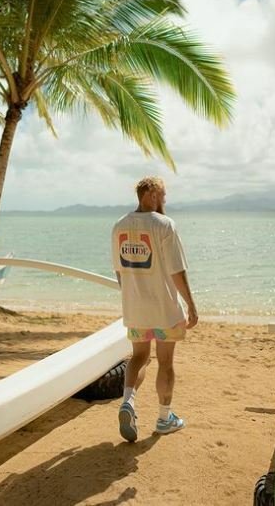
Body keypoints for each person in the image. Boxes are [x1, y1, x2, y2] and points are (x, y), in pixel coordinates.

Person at [111, 176, 198, 442]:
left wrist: (132, 296)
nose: (164, 200)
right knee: (166, 362)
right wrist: (191, 306)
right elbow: (177, 271)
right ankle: (164, 418)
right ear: (150, 194)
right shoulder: (165, 226)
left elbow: (119, 272)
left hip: (135, 309)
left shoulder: (119, 226)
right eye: (162, 195)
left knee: (138, 357)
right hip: (165, 311)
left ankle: (129, 401)